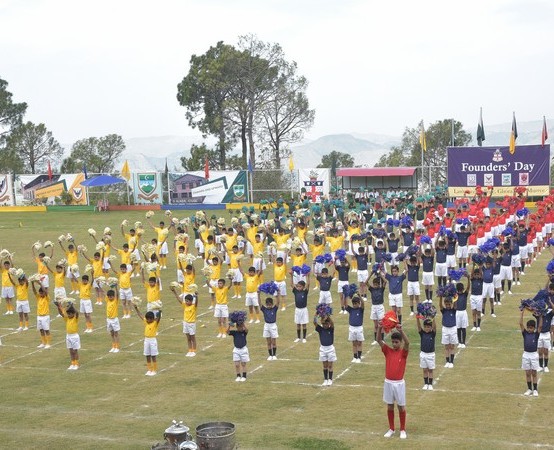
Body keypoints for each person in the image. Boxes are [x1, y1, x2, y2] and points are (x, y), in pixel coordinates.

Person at [377, 321, 409, 439]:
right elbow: (379, 340)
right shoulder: (388, 351)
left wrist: (401, 331)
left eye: (397, 342)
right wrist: (379, 328)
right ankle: (391, 428)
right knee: (390, 406)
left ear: (400, 342)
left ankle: (402, 429)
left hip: (399, 383)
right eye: (393, 342)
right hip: (388, 382)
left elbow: (407, 343)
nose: (394, 344)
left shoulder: (403, 353)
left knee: (401, 407)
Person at [133, 303, 161, 376]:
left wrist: (159, 311)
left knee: (153, 356)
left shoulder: (155, 323)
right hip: (146, 340)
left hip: (152, 340)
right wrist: (136, 308)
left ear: (153, 319)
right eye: (147, 319)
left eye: (150, 319)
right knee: (147, 355)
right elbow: (140, 315)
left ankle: (154, 370)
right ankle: (149, 369)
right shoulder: (146, 322)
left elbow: (158, 318)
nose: (148, 320)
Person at [520, 310, 542, 396]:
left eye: (531, 328)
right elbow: (521, 324)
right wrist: (522, 313)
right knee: (527, 373)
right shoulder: (525, 334)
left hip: (534, 355)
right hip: (526, 354)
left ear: (534, 328)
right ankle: (529, 389)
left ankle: (535, 390)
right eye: (528, 327)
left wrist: (540, 316)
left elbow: (540, 326)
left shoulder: (536, 334)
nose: (529, 329)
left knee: (534, 373)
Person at [171, 289, 198, 357]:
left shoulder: (193, 306)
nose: (186, 302)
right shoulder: (185, 305)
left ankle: (194, 351)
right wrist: (174, 292)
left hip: (191, 324)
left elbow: (196, 303)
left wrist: (196, 296)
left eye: (187, 301)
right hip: (185, 323)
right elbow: (179, 299)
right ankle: (190, 350)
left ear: (191, 301)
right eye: (185, 300)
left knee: (192, 338)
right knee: (188, 338)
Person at [55, 301, 81, 370]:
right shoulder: (67, 319)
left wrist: (72, 306)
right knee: (71, 351)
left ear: (73, 314)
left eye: (70, 314)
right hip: (68, 336)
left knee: (75, 351)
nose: (69, 315)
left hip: (74, 336)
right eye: (68, 314)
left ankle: (76, 364)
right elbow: (61, 313)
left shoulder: (75, 319)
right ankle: (72, 363)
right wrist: (58, 306)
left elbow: (77, 313)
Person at [314, 313, 336, 386]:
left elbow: (332, 323)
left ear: (328, 324)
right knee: (324, 365)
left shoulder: (331, 329)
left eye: (326, 324)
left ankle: (330, 379)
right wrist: (316, 314)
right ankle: (325, 379)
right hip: (323, 349)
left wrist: (327, 316)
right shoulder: (320, 329)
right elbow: (314, 322)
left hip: (330, 349)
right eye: (323, 324)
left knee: (330, 365)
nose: (325, 325)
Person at [416, 316, 436, 390]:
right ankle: (425, 383)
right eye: (425, 327)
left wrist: (433, 318)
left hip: (431, 355)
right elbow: (419, 327)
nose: (427, 328)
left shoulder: (432, 334)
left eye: (428, 327)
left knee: (430, 370)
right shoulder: (422, 333)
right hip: (423, 354)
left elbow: (434, 327)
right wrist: (417, 318)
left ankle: (430, 384)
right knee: (424, 370)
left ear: (431, 327)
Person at [31, 280, 51, 348]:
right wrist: (32, 283)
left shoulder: (47, 298)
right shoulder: (38, 297)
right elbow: (34, 291)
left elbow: (45, 291)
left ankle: (48, 343)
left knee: (46, 330)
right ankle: (43, 343)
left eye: (41, 293)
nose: (40, 294)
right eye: (40, 293)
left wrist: (40, 284)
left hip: (45, 316)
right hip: (39, 316)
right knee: (41, 330)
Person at [439, 295, 458, 368]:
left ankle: (451, 362)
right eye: (446, 304)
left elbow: (455, 305)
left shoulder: (453, 310)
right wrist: (441, 296)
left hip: (453, 329)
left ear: (451, 304)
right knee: (446, 346)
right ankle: (447, 361)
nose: (448, 306)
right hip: (445, 329)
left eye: (449, 304)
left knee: (452, 346)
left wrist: (455, 297)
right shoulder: (444, 311)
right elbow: (440, 305)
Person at [345, 293, 364, 363]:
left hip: (359, 328)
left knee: (359, 343)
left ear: (359, 303)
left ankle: (359, 357)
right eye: (353, 304)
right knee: (354, 343)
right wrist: (346, 295)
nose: (354, 305)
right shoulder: (351, 310)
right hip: (352, 328)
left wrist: (359, 296)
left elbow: (363, 303)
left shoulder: (361, 309)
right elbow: (345, 305)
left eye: (356, 304)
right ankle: (355, 356)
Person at [260, 296, 280, 360]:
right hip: (266, 326)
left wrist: (278, 295)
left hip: (273, 325)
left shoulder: (274, 309)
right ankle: (270, 355)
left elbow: (278, 302)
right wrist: (258, 294)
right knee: (268, 342)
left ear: (272, 304)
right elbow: (259, 303)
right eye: (267, 305)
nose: (269, 306)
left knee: (273, 342)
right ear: (266, 304)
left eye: (270, 304)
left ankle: (274, 355)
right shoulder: (264, 309)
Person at [291, 278, 310, 343]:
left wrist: (308, 276)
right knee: (298, 324)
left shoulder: (305, 292)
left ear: (303, 287)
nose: (298, 288)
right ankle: (298, 337)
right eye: (298, 286)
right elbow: (291, 284)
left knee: (304, 324)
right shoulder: (296, 291)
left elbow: (308, 284)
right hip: (297, 310)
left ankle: (304, 338)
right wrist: (291, 276)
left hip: (303, 310)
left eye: (300, 286)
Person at [455, 275, 470, 348]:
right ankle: (460, 342)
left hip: (463, 312)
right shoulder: (455, 295)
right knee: (458, 328)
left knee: (463, 328)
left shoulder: (465, 294)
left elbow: (468, 287)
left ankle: (463, 342)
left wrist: (468, 279)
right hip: (457, 312)